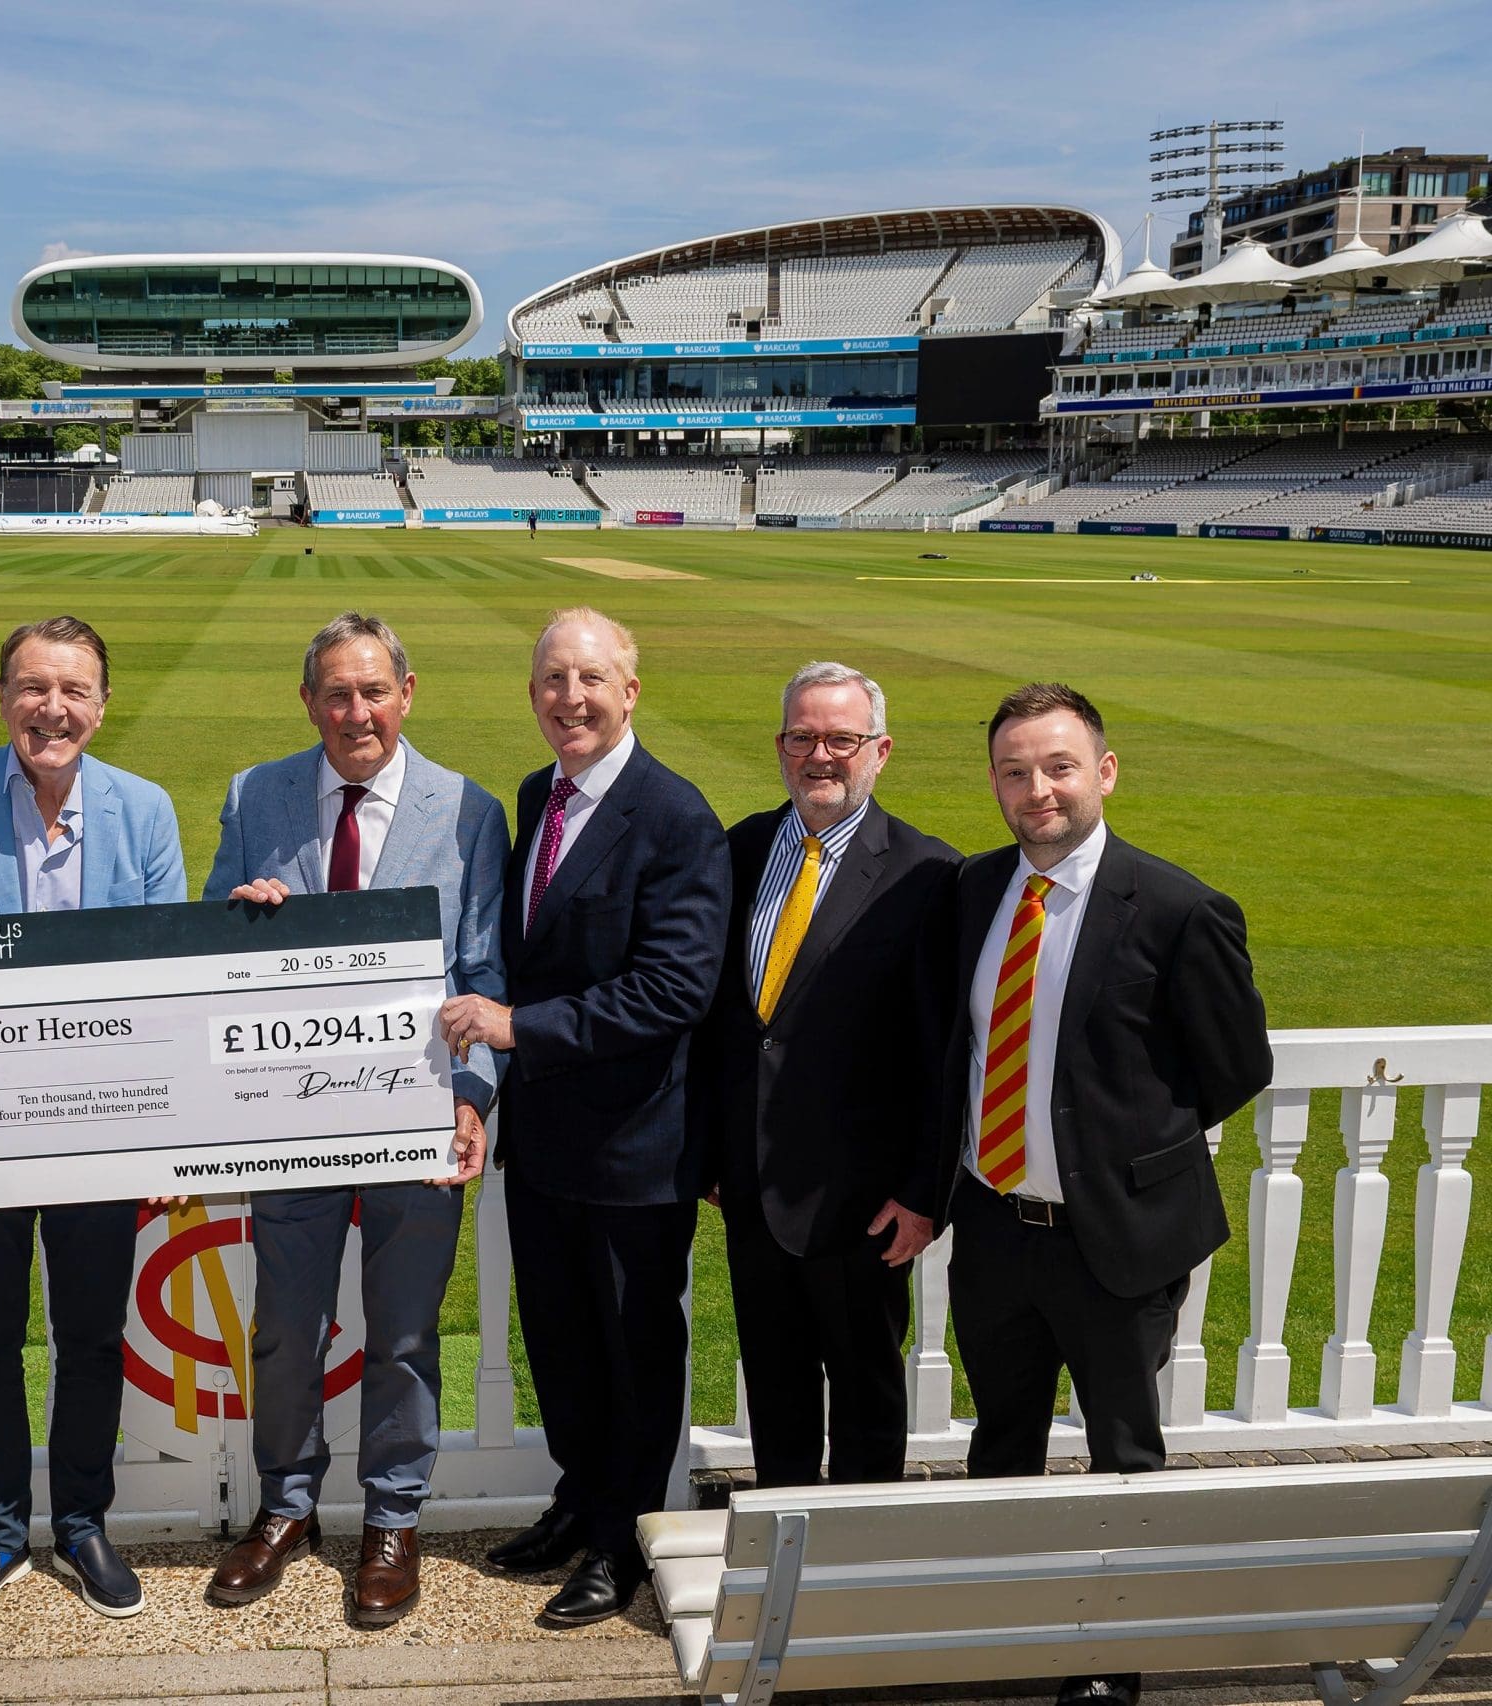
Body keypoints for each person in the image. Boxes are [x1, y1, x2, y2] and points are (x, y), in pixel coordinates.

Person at [937, 683, 1270, 1706]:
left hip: (1114, 1237)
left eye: (1057, 765)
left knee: (1124, 1452)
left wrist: (1119, 1155)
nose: (1036, 788)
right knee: (1001, 1439)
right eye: (1014, 769)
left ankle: (1104, 1656)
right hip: (994, 1227)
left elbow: (1231, 1065)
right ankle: (1008, 1630)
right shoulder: (973, 890)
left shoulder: (1175, 907)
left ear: (1104, 771)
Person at [199, 613, 508, 1627]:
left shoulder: (468, 808)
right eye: (336, 693)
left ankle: (391, 1514)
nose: (355, 711)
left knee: (407, 1333)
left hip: (416, 1116)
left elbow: (481, 972)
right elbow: (205, 948)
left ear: (407, 693)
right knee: (286, 1327)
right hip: (294, 1122)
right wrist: (241, 920)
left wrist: (469, 1098)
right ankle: (286, 1505)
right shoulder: (257, 793)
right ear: (308, 703)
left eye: (373, 690)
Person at [0, 615, 188, 1633]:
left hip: (101, 1127)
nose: (51, 708)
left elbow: (165, 985)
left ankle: (84, 1521)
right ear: (2, 695)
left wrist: (156, 1136)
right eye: (32, 686)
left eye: (73, 690)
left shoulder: (143, 810)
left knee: (92, 1336)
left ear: (101, 704)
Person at [440, 606, 728, 1628]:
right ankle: (579, 1497)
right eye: (553, 679)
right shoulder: (538, 794)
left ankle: (625, 1539)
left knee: (631, 1352)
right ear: (532, 694)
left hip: (635, 1147)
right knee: (560, 1341)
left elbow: (672, 990)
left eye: (591, 678)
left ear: (631, 690)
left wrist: (517, 1026)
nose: (571, 697)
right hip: (548, 1139)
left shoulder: (674, 816)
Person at [691, 663, 958, 1490]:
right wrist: (712, 1156)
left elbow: (944, 1056)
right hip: (752, 1188)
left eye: (842, 739)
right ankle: (784, 1537)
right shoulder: (736, 850)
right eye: (803, 737)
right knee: (774, 1385)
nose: (821, 756)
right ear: (780, 746)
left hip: (864, 1204)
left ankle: (859, 1560)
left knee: (867, 1391)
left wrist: (923, 1195)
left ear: (879, 751)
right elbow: (722, 1023)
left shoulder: (927, 874)